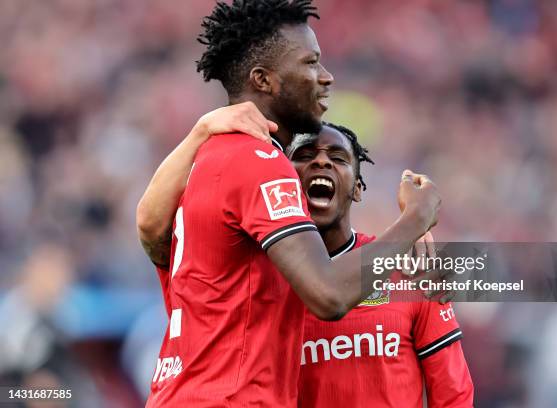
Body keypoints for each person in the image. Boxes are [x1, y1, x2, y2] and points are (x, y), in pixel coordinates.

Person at [137, 1, 440, 406]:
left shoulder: (204, 159)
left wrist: (200, 129)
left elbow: (149, 230)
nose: (326, 77)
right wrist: (415, 218)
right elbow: (328, 295)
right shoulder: (260, 161)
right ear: (264, 80)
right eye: (311, 63)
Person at [139, 121, 472, 407]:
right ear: (282, 178)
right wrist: (203, 129)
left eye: (338, 158)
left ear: (357, 188)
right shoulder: (249, 275)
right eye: (304, 155)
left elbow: (453, 392)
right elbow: (153, 228)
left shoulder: (410, 269)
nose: (322, 163)